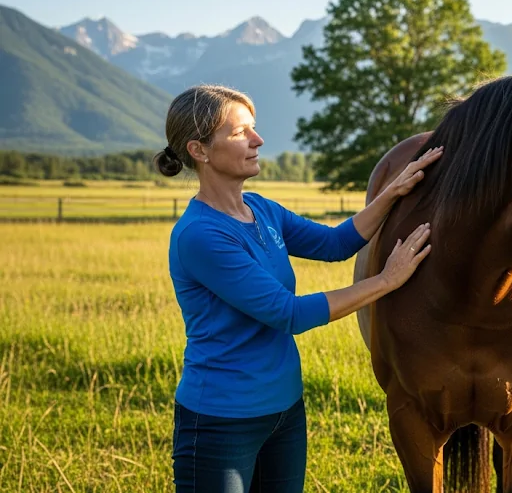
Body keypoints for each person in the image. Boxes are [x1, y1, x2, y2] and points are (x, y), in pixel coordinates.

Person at [154, 84, 441, 493]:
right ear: (199, 150)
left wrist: (393, 192)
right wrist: (387, 281)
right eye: (240, 133)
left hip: (285, 413)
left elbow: (334, 244)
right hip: (221, 422)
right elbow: (287, 313)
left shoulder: (262, 209)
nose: (258, 140)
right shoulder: (201, 235)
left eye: (253, 128)